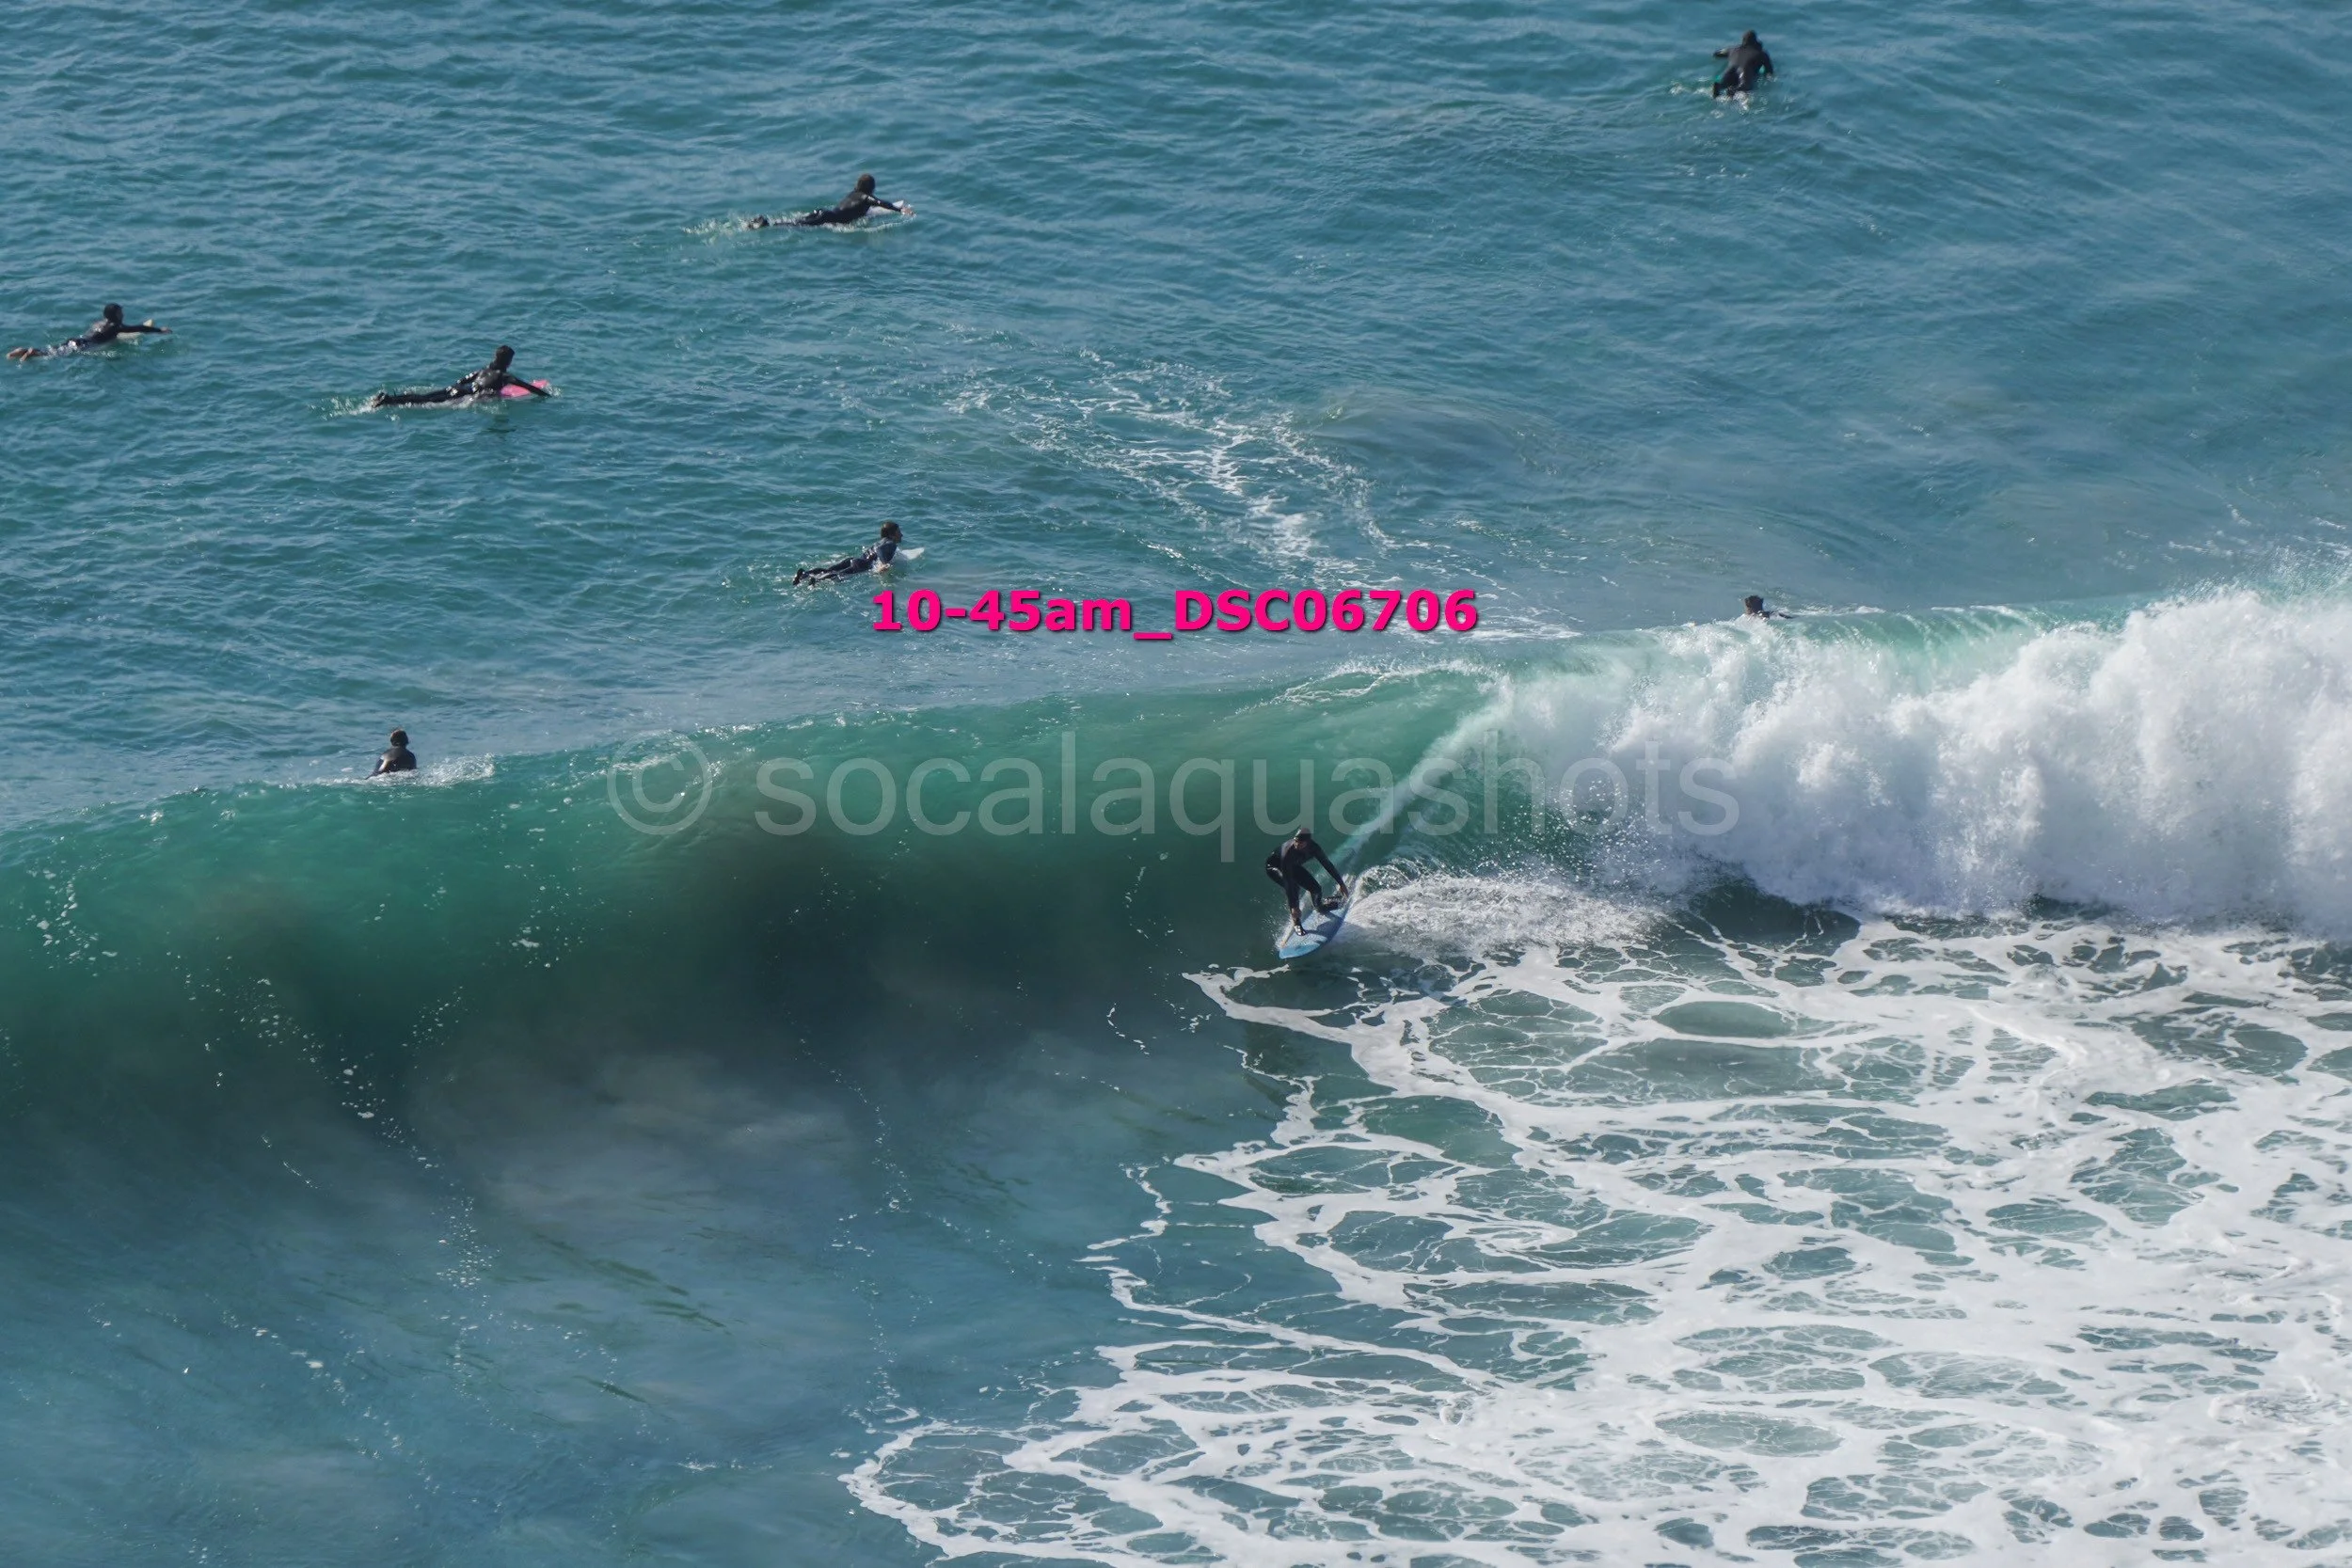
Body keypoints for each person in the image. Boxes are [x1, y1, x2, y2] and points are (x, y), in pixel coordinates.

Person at [367, 345, 548, 408]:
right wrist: (546, 395)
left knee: (426, 397)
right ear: (508, 361)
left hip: (457, 389)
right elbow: (528, 387)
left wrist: (456, 387)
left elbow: (463, 380)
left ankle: (389, 399)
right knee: (425, 403)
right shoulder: (505, 376)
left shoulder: (482, 370)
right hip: (464, 396)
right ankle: (389, 401)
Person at [749, 173, 914, 230]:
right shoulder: (865, 197)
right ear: (870, 188)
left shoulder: (854, 193)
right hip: (828, 219)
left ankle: (768, 222)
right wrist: (900, 210)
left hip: (824, 213)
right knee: (797, 226)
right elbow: (880, 203)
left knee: (796, 222)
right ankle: (766, 224)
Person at [8, 303, 168, 361]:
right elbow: (138, 328)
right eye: (120, 313)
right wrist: (159, 330)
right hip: (84, 347)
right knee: (52, 356)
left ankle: (20, 351)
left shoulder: (99, 323)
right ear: (116, 316)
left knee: (53, 350)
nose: (123, 314)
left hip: (76, 340)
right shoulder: (117, 327)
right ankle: (30, 353)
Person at [1263, 828, 1348, 933]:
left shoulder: (1314, 848)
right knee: (1294, 887)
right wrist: (1293, 906)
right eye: (1296, 841)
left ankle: (1319, 907)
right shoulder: (1288, 852)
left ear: (1307, 843)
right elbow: (1288, 882)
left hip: (1293, 866)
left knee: (1316, 889)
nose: (1297, 844)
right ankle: (1296, 921)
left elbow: (1327, 864)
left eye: (1300, 843)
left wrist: (1341, 883)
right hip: (1275, 867)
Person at [795, 522, 903, 585]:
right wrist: (884, 563)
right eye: (899, 532)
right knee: (839, 575)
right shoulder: (890, 543)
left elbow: (878, 548)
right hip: (862, 564)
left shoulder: (880, 541)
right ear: (892, 535)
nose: (901, 535)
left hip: (855, 560)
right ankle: (817, 579)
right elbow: (880, 549)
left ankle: (805, 574)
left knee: (829, 569)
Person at [1711, 30, 1774, 97]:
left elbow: (1717, 54)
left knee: (1723, 84)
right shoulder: (1762, 54)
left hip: (1730, 69)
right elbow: (1769, 72)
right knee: (1745, 86)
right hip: (1744, 71)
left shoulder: (1732, 50)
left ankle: (1719, 86)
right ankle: (1733, 90)